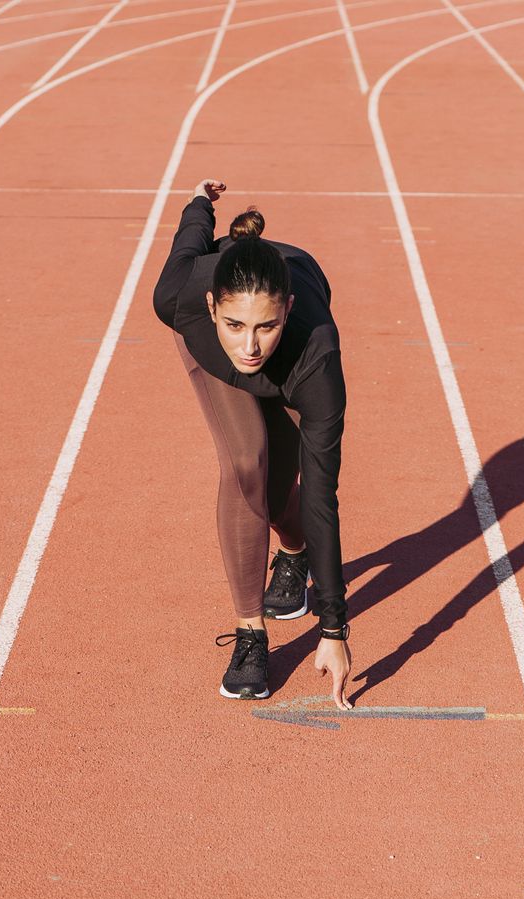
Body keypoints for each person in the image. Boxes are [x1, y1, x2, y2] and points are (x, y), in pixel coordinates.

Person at [152, 181, 351, 706]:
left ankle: (294, 552)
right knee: (246, 462)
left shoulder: (316, 360)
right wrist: (199, 203)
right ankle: (250, 634)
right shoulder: (180, 301)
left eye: (266, 325)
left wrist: (335, 632)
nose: (250, 346)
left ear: (286, 309)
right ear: (213, 305)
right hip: (205, 348)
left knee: (285, 479)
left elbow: (321, 497)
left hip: (295, 358)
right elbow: (190, 243)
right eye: (236, 324)